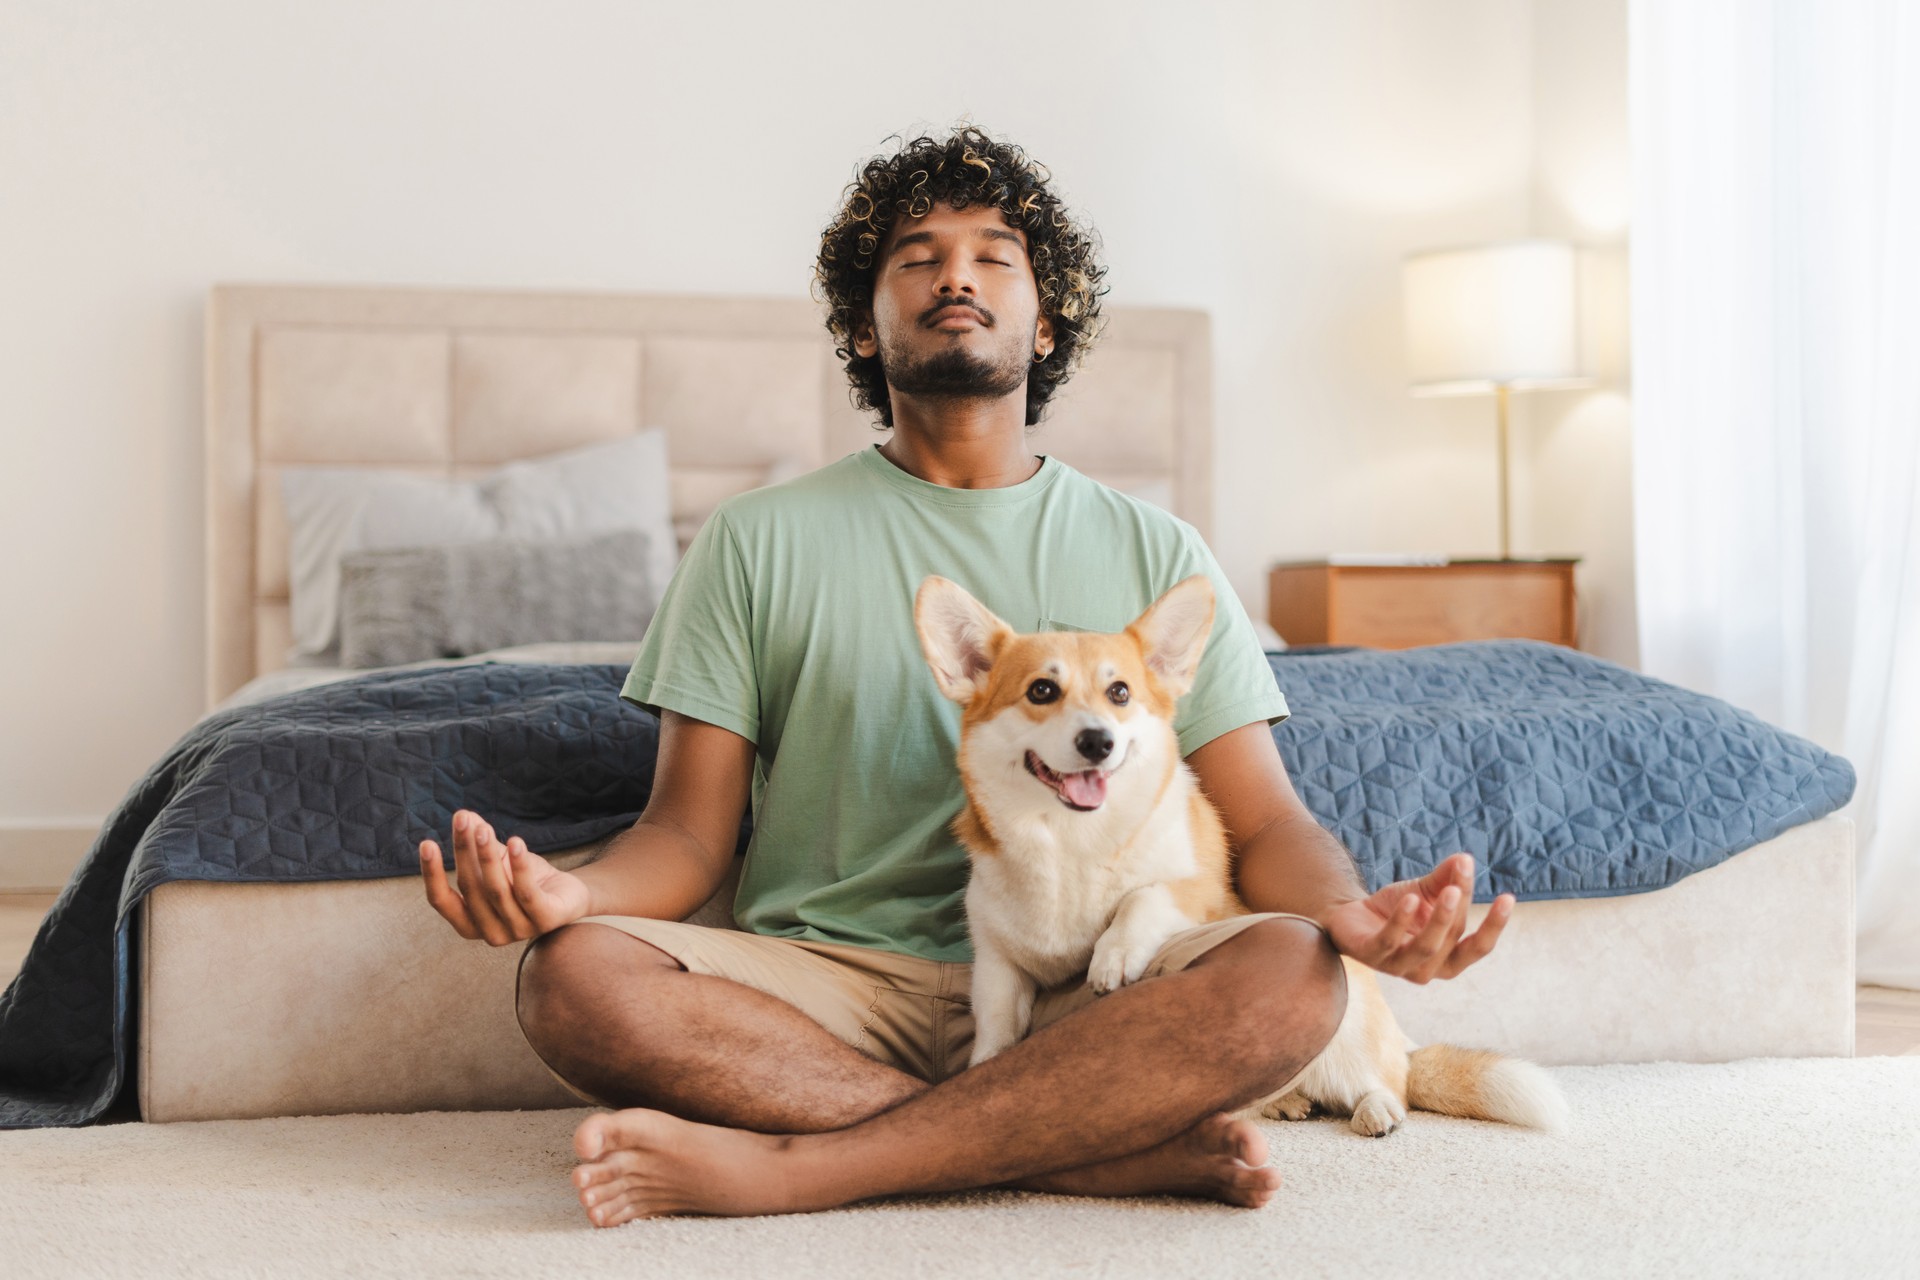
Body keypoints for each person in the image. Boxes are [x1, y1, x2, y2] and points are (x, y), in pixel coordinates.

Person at [419, 124, 1515, 1226]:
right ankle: (1074, 1151)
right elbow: (688, 838)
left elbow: (1266, 820)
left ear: (1050, 319)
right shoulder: (753, 539)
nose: (956, 275)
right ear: (863, 321)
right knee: (573, 976)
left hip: (1089, 984)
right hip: (829, 983)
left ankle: (803, 1167)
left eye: (995, 255)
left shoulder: (1161, 553)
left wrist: (1350, 913)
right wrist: (575, 894)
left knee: (1298, 972)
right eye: (917, 256)